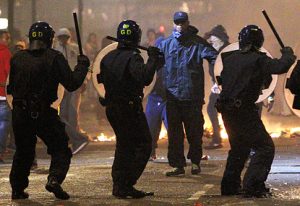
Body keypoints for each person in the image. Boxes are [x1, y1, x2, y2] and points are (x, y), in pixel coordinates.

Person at [7, 21, 90, 200]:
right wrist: (82, 66)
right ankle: (54, 179)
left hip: (20, 113)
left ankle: (17, 189)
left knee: (23, 152)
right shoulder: (54, 57)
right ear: (50, 39)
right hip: (44, 112)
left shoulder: (17, 58)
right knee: (60, 148)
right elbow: (72, 83)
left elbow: (11, 87)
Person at [216, 25, 296, 197]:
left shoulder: (229, 58)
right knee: (264, 147)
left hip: (227, 110)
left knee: (239, 148)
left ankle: (229, 187)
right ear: (259, 41)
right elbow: (280, 66)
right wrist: (288, 54)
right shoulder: (258, 59)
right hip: (243, 110)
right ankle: (253, 186)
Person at [97, 20, 164, 198]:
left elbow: (100, 83)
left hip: (112, 108)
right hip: (129, 108)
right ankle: (126, 183)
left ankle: (119, 184)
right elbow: (144, 78)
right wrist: (153, 60)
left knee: (124, 145)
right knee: (143, 145)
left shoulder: (107, 57)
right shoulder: (133, 57)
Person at [158, 11, 218, 176]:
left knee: (195, 132)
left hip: (192, 97)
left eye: (182, 22)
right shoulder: (166, 44)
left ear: (187, 22)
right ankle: (178, 165)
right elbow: (154, 63)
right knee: (175, 135)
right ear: (173, 23)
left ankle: (196, 162)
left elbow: (215, 59)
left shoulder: (198, 43)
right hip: (172, 98)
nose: (180, 25)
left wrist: (219, 76)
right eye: (177, 22)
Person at [53, 28, 89, 155]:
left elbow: (85, 65)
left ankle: (76, 140)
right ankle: (70, 138)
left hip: (74, 84)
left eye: (65, 36)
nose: (63, 39)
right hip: (61, 85)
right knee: (62, 112)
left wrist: (84, 81)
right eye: (61, 37)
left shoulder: (76, 48)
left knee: (72, 112)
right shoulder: (55, 50)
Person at [203, 25, 230, 150]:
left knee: (227, 113)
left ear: (221, 39)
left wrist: (219, 83)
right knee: (211, 109)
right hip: (217, 87)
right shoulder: (213, 51)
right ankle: (217, 137)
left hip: (227, 87)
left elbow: (228, 71)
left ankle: (225, 138)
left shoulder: (227, 52)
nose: (211, 40)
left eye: (213, 37)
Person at [145, 36, 168, 161]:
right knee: (151, 128)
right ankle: (150, 152)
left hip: (168, 99)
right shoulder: (151, 62)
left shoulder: (170, 62)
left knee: (173, 129)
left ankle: (176, 154)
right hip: (154, 98)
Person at [0, 30, 12, 164]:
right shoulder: (6, 53)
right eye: (6, 38)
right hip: (3, 95)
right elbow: (10, 74)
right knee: (3, 125)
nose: (8, 41)